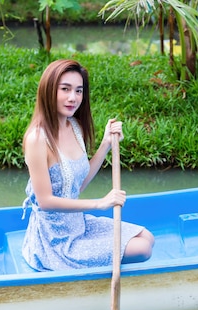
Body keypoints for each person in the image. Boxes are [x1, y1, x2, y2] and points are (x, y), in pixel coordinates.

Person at [21, 59, 154, 271]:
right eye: (65, 89)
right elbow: (45, 201)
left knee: (147, 237)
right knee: (141, 249)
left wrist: (106, 144)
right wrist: (99, 203)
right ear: (48, 90)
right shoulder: (37, 139)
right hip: (56, 240)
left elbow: (77, 186)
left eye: (78, 90)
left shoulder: (74, 125)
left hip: (77, 224)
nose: (73, 98)